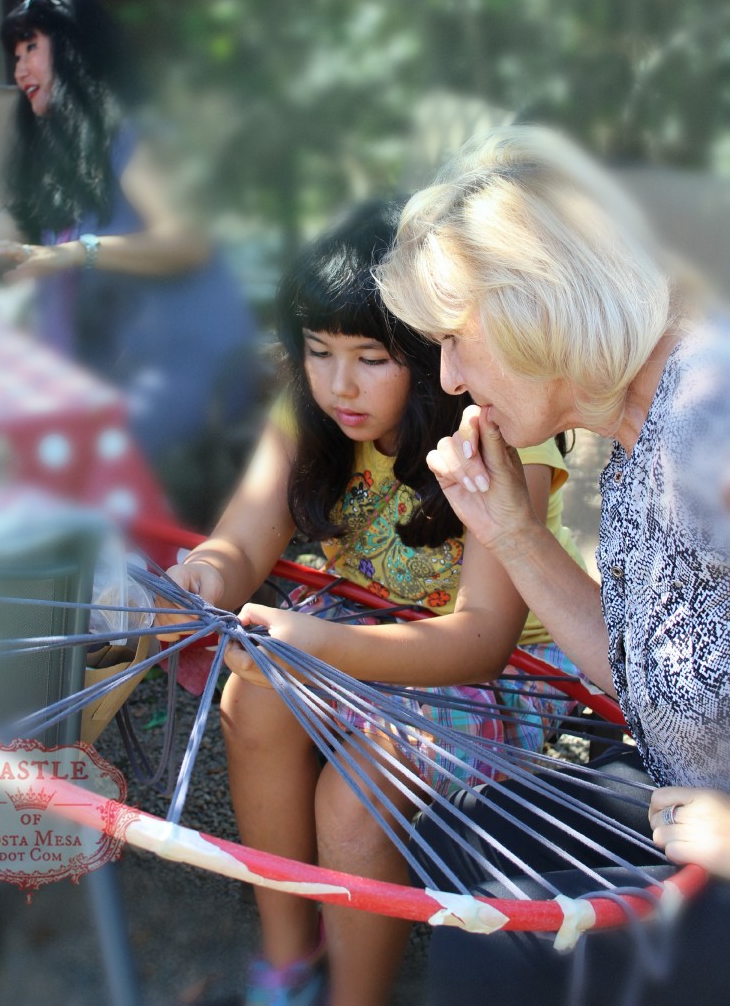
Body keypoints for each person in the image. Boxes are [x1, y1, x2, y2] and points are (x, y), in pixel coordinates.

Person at [159, 198, 585, 1006]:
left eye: (372, 358)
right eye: (317, 352)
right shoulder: (311, 411)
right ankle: (289, 960)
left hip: (500, 668)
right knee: (253, 697)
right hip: (363, 626)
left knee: (356, 800)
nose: (339, 385)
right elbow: (242, 542)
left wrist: (315, 645)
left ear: (430, 356)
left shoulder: (496, 427)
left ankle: (359, 996)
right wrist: (202, 581)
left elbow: (482, 639)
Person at [375, 123, 730, 1004]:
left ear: (544, 300)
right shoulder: (640, 423)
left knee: (505, 941)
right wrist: (512, 532)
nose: (449, 377)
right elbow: (656, 683)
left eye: (455, 337)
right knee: (487, 836)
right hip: (686, 810)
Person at [0, 0, 259, 525]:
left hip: (178, 367)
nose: (20, 64)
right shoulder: (52, 163)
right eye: (16, 51)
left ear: (76, 49)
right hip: (108, 371)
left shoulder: (131, 137)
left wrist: (78, 253)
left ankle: (123, 599)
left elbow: (186, 242)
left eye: (32, 45)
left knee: (24, 457)